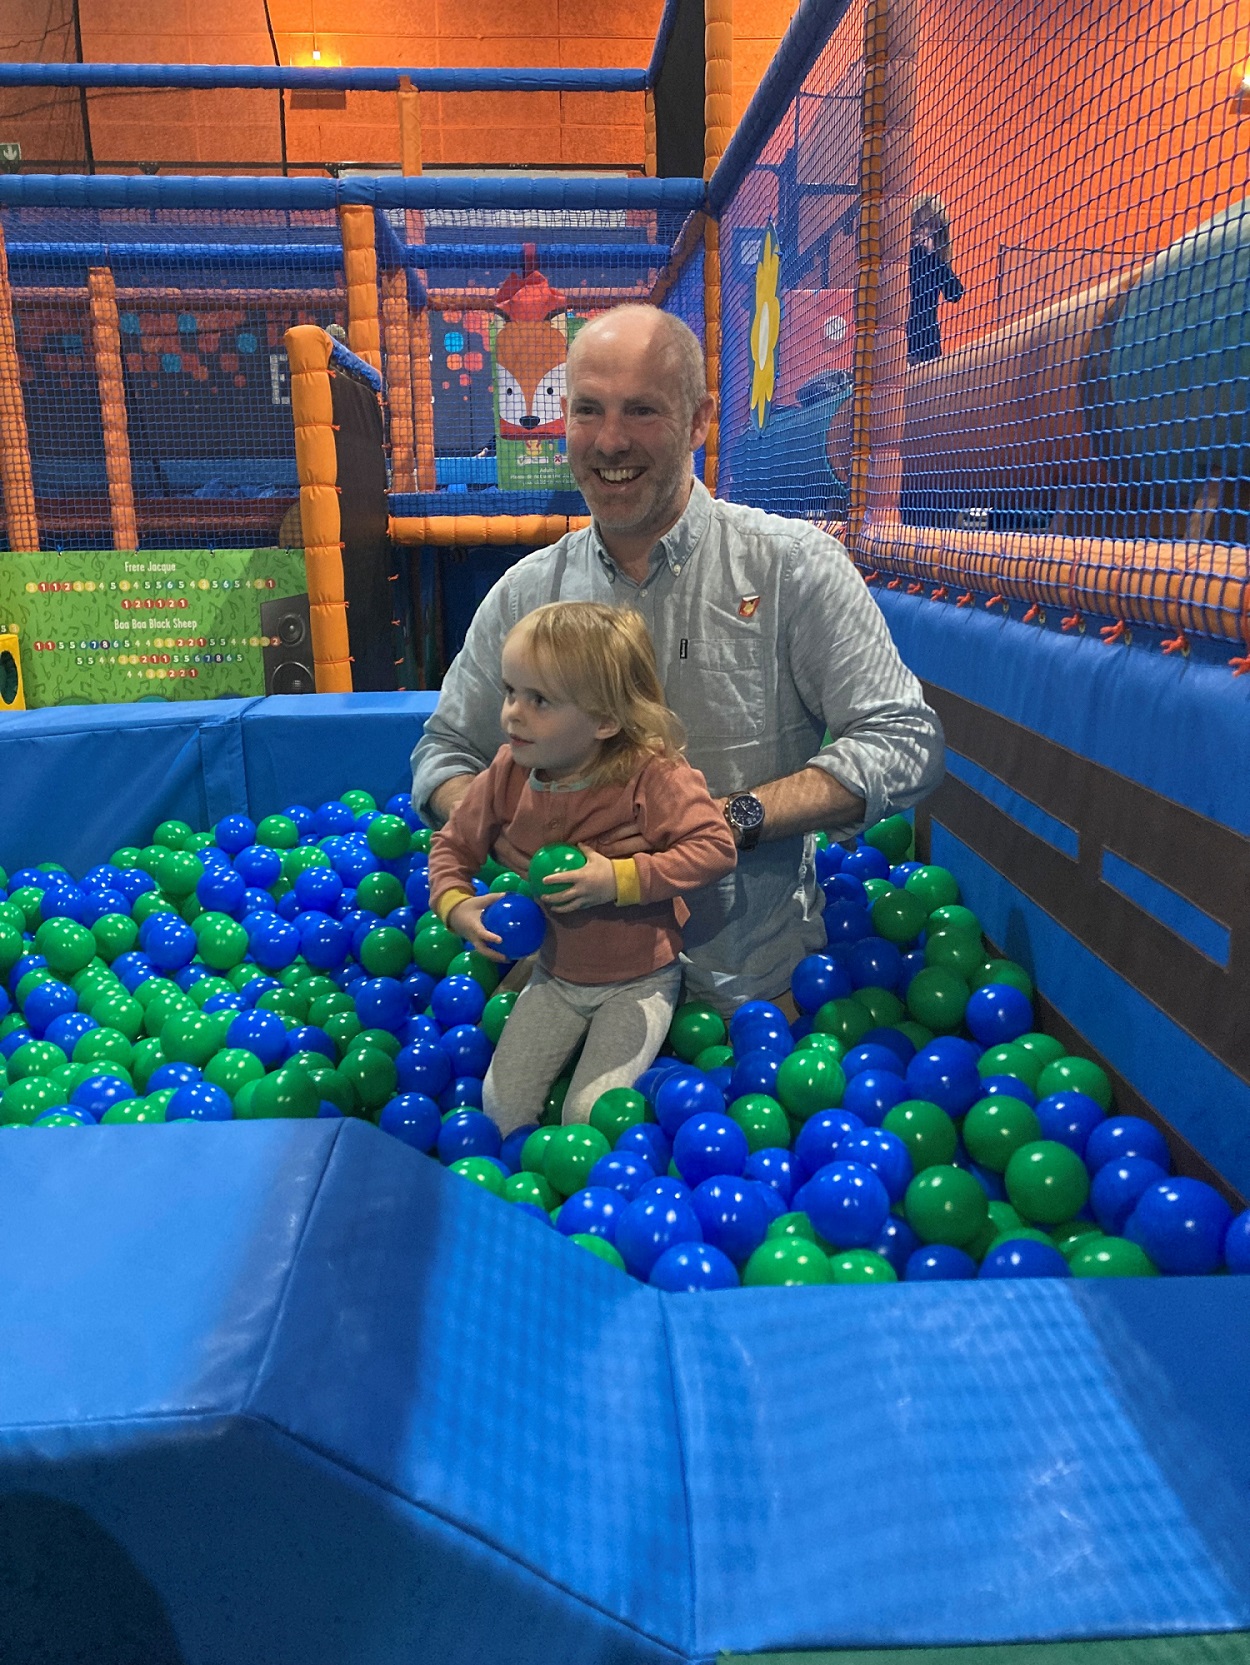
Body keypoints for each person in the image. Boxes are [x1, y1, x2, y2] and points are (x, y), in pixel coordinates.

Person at [412, 303, 944, 1012]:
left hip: (744, 983)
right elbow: (444, 751)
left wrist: (735, 818)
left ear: (699, 419)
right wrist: (496, 820)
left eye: (641, 411)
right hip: (573, 975)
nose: (608, 441)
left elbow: (905, 742)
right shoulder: (529, 594)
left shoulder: (791, 569)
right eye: (588, 411)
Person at [427, 602, 737, 1134]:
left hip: (639, 980)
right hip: (556, 975)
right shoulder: (509, 771)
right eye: (510, 692)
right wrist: (454, 906)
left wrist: (616, 880)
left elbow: (714, 846)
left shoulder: (651, 775)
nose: (513, 714)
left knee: (589, 1116)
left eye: (539, 700)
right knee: (500, 1111)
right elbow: (452, 845)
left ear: (605, 720)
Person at [907, 193, 964, 364]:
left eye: (928, 228)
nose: (921, 234)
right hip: (904, 339)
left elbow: (955, 293)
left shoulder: (935, 264)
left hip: (927, 343)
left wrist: (932, 256)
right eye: (918, 227)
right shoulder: (905, 260)